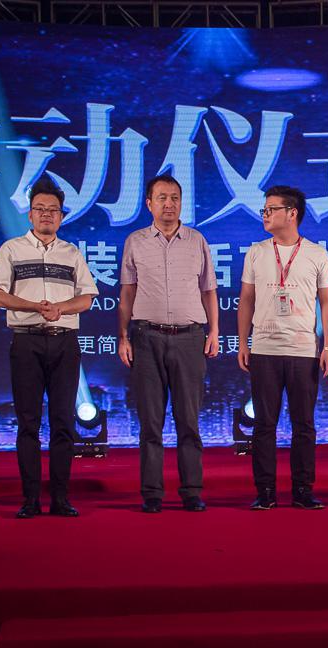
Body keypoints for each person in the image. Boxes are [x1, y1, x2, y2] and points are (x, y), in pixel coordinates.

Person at [0, 177, 98, 519]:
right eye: (40, 209)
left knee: (63, 421)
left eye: (53, 210)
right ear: (30, 214)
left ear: (62, 216)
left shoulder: (72, 253)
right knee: (28, 423)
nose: (47, 214)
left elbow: (87, 298)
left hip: (64, 343)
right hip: (27, 341)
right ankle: (30, 499)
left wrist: (59, 309)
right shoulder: (11, 249)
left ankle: (61, 499)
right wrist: (35, 307)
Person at [117, 174, 220, 514]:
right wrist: (123, 336)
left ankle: (191, 491)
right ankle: (152, 494)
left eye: (175, 197)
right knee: (151, 423)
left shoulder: (196, 240)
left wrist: (214, 332)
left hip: (190, 337)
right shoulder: (135, 241)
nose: (169, 204)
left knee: (189, 421)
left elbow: (208, 290)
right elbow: (127, 292)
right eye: (162, 198)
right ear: (149, 203)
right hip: (146, 337)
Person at [237, 186, 328, 510]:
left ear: (292, 213)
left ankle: (303, 490)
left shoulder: (316, 253)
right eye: (264, 210)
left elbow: (327, 303)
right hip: (264, 350)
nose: (265, 215)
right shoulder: (256, 252)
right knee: (264, 425)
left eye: (271, 209)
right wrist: (243, 342)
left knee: (304, 425)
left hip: (303, 350)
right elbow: (247, 300)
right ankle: (265, 491)